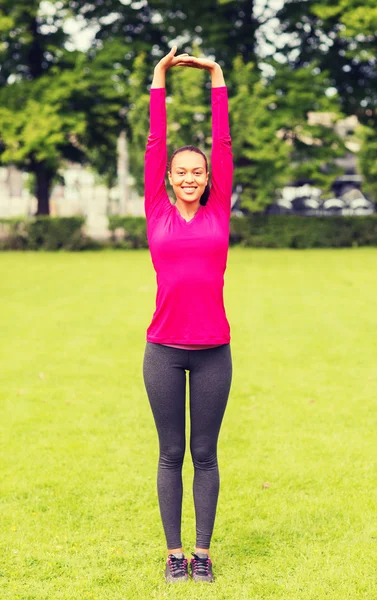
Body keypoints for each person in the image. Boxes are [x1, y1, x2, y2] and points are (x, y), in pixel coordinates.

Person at [142, 46, 233, 584]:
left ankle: (203, 552)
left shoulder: (219, 206)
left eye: (198, 171)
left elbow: (221, 143)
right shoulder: (156, 208)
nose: (191, 177)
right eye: (182, 172)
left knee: (206, 454)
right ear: (171, 177)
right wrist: (159, 79)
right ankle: (174, 552)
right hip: (162, 351)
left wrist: (217, 78)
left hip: (213, 354)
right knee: (170, 453)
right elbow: (156, 142)